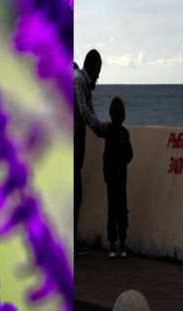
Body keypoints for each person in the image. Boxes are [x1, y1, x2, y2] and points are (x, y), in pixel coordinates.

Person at [74, 49, 108, 256]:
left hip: (75, 139)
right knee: (75, 193)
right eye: (98, 69)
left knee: (76, 194)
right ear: (91, 64)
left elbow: (90, 111)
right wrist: (100, 128)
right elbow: (83, 110)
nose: (99, 74)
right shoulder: (78, 80)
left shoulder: (86, 86)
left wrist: (101, 130)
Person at [102, 96, 133, 258]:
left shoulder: (109, 133)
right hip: (121, 177)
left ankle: (112, 244)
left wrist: (106, 174)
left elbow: (106, 156)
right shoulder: (124, 133)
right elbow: (129, 155)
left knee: (112, 211)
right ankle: (122, 243)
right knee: (122, 210)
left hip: (111, 177)